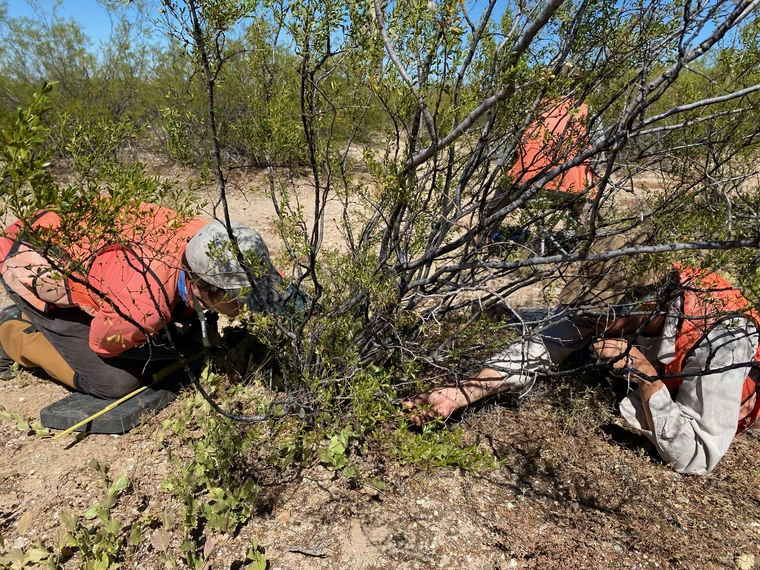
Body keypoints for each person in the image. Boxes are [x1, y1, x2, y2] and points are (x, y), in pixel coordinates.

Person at [406, 250, 760, 475]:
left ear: (646, 306)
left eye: (601, 318)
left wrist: (647, 381)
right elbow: (543, 345)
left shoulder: (724, 336)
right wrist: (463, 392)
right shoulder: (622, 297)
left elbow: (696, 456)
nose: (591, 326)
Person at [0, 201, 284, 399]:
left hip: (79, 237)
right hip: (32, 255)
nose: (250, 304)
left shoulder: (210, 241)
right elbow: (102, 344)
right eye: (240, 297)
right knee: (115, 381)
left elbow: (272, 285)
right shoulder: (145, 304)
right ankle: (13, 332)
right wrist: (172, 348)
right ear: (202, 289)